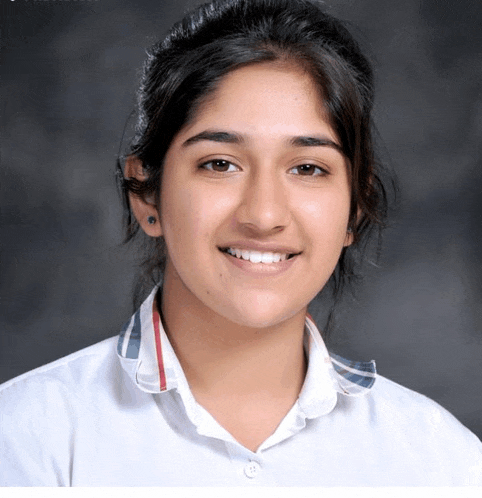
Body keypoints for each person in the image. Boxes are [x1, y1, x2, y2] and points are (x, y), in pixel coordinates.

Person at [1, 0, 481, 487]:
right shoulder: (28, 437)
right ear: (145, 194)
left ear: (354, 210)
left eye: (307, 168)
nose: (264, 216)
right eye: (220, 164)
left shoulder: (443, 462)